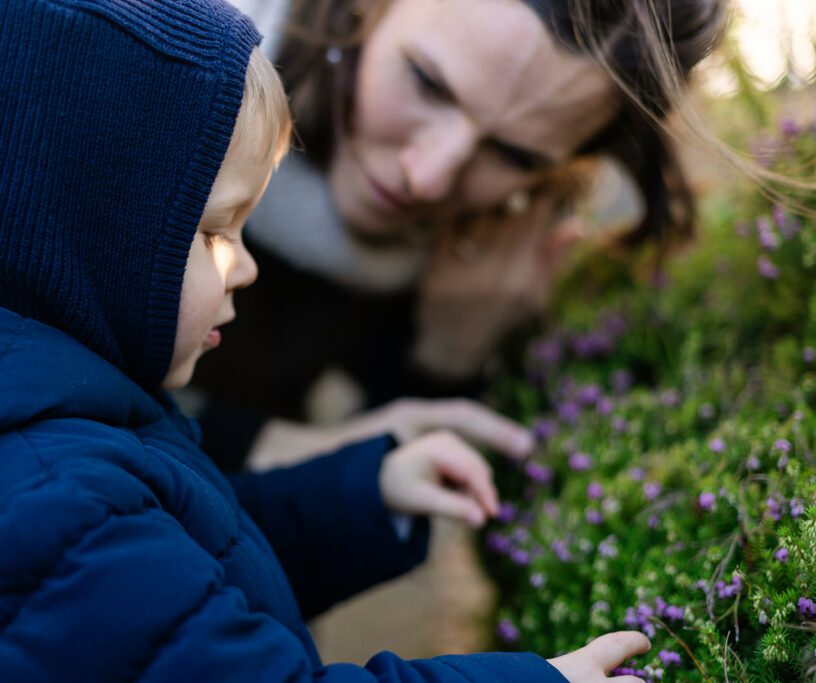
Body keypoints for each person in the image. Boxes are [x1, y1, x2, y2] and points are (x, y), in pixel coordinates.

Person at [0, 0, 651, 681]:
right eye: (212, 234)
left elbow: (196, 560)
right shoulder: (42, 509)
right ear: (75, 247)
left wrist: (367, 487)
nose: (243, 267)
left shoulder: (38, 422)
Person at [191, 0, 728, 471]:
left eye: (514, 154)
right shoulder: (164, 67)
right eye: (428, 82)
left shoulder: (485, 265)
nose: (428, 178)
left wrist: (446, 359)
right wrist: (274, 447)